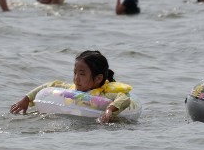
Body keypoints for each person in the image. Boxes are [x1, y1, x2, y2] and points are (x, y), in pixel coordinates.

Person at [9, 50, 138, 123]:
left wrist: (109, 110)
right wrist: (26, 99)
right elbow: (50, 85)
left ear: (98, 78)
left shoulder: (105, 94)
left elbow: (124, 98)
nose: (76, 78)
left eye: (82, 74)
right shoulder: (70, 89)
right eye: (75, 72)